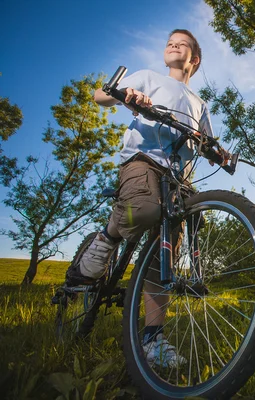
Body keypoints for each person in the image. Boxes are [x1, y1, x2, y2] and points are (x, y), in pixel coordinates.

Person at [66, 28, 224, 367]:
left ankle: (153, 339)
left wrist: (219, 154)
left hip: (177, 180)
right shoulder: (149, 77)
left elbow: (208, 142)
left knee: (163, 255)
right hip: (142, 163)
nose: (173, 45)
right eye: (170, 42)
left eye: (181, 44)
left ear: (193, 59)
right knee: (145, 209)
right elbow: (101, 95)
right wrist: (127, 94)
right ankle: (109, 235)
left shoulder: (199, 104)